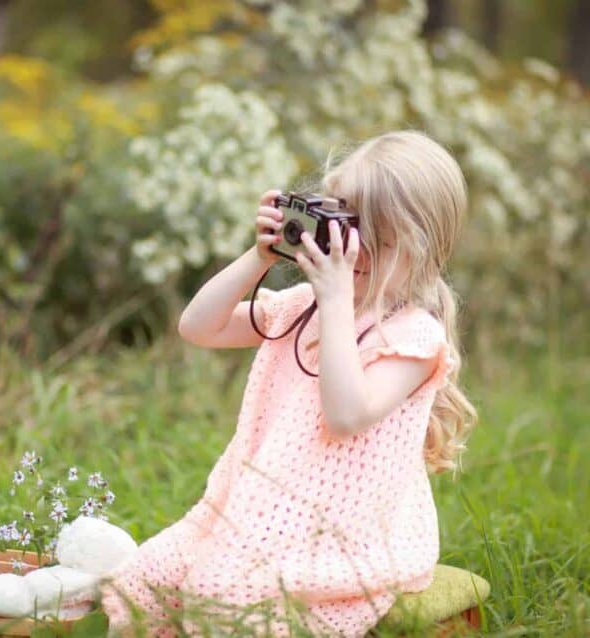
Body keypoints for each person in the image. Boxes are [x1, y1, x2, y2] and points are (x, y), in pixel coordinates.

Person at [98, 129, 479, 638]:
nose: (352, 250)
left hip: (350, 538)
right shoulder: (303, 307)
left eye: (378, 240)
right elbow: (199, 327)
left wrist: (336, 300)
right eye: (345, 227)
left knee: (220, 596)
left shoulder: (414, 337)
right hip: (257, 516)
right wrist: (259, 256)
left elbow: (346, 415)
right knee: (143, 579)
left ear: (422, 248)